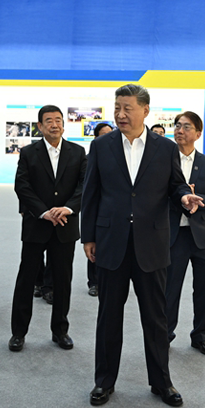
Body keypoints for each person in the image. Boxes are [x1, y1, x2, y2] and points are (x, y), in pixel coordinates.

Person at [81, 84, 203, 408]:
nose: (120, 114)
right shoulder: (101, 146)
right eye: (117, 108)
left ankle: (162, 382)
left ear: (145, 110)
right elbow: (91, 193)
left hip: (152, 244)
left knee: (156, 318)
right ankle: (104, 381)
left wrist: (184, 197)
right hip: (112, 243)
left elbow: (176, 185)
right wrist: (88, 237)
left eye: (128, 108)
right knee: (108, 317)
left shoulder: (165, 148)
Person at [8, 105, 87, 352]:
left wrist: (68, 208)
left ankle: (60, 331)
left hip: (65, 224)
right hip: (36, 224)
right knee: (27, 278)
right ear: (40, 126)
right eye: (49, 121)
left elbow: (84, 186)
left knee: (63, 280)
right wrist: (43, 212)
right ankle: (18, 332)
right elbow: (22, 186)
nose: (55, 124)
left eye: (58, 120)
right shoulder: (29, 152)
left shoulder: (78, 152)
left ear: (64, 124)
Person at [165, 111, 205, 356]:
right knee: (170, 289)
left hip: (203, 237)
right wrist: (180, 197)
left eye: (186, 127)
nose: (180, 130)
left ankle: (201, 336)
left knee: (203, 289)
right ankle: (164, 335)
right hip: (173, 235)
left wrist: (198, 200)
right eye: (177, 126)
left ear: (198, 134)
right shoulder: (163, 162)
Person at [85, 122, 113, 297]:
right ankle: (94, 282)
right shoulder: (90, 158)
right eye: (103, 135)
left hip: (113, 212)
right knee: (94, 248)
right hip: (98, 211)